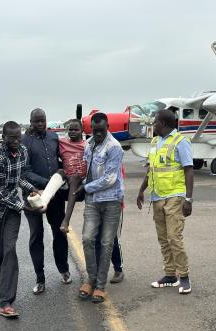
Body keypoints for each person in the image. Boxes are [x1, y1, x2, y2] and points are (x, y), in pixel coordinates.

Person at [0, 121, 41, 318]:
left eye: (18, 137)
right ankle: (5, 285)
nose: (16, 141)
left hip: (12, 210)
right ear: (3, 138)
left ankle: (6, 302)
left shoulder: (22, 151)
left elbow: (18, 179)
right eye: (11, 138)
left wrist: (30, 188)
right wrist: (23, 206)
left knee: (9, 250)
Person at [137, 109, 194, 294]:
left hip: (174, 197)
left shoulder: (181, 142)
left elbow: (189, 170)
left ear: (162, 123)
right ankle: (170, 275)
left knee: (174, 237)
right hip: (157, 197)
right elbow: (152, 169)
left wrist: (188, 199)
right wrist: (141, 190)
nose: (152, 125)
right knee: (163, 239)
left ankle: (184, 277)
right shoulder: (155, 142)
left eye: (154, 122)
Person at [22, 108, 72, 295]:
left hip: (55, 196)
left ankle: (64, 269)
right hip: (33, 196)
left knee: (59, 233)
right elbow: (25, 171)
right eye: (36, 121)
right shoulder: (24, 141)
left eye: (43, 120)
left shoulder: (53, 138)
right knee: (37, 236)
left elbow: (61, 161)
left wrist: (62, 176)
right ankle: (40, 279)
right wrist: (48, 183)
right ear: (31, 121)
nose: (40, 124)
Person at [76, 112, 124, 303]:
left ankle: (100, 286)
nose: (97, 134)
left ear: (108, 127)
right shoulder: (89, 144)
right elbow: (86, 169)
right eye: (94, 131)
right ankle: (91, 279)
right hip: (93, 200)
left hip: (111, 200)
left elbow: (110, 179)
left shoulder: (114, 147)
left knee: (106, 243)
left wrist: (86, 187)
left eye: (101, 131)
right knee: (87, 239)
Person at [58, 119, 87, 233]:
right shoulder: (62, 143)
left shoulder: (87, 145)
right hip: (66, 180)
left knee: (75, 177)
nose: (73, 132)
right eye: (70, 129)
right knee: (59, 171)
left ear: (82, 131)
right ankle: (43, 201)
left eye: (76, 129)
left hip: (80, 182)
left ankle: (66, 221)